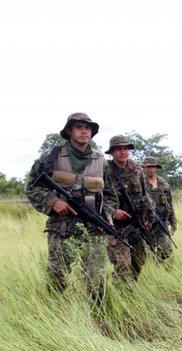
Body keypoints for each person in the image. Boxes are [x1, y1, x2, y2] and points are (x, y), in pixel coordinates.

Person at [25, 113, 118, 306]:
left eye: (88, 128)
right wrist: (52, 202)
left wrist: (106, 216)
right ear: (69, 130)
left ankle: (95, 319)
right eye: (79, 127)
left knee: (96, 280)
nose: (84, 131)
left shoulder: (101, 160)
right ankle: (57, 318)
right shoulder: (51, 157)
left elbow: (110, 196)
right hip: (61, 228)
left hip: (94, 228)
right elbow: (32, 186)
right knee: (57, 277)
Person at [105, 135, 155, 282]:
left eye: (126, 148)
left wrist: (149, 217)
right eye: (119, 149)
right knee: (122, 264)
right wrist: (114, 212)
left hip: (136, 224)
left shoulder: (137, 169)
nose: (123, 152)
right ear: (112, 152)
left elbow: (146, 195)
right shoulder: (104, 170)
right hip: (115, 226)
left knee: (139, 260)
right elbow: (98, 197)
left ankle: (130, 291)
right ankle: (120, 295)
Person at [142, 156, 177, 260]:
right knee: (145, 252)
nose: (151, 169)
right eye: (148, 167)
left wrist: (173, 222)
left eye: (153, 167)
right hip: (144, 223)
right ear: (143, 167)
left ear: (157, 168)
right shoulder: (139, 182)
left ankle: (158, 263)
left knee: (166, 250)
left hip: (161, 222)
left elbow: (169, 204)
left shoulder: (163, 183)